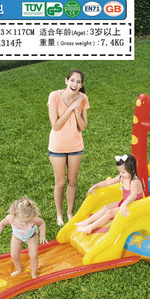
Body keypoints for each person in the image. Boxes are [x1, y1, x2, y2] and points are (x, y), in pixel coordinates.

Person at [47, 69, 90, 226]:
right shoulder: (54, 96)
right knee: (60, 183)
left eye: (78, 82)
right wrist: (71, 107)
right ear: (66, 81)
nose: (75, 84)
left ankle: (69, 213)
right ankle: (59, 214)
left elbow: (83, 126)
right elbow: (56, 125)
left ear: (81, 84)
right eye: (72, 80)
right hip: (57, 147)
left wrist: (77, 111)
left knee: (72, 182)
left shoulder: (83, 98)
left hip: (75, 146)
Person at [75, 154, 144, 235]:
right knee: (106, 207)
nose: (121, 174)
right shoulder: (123, 177)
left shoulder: (134, 181)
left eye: (123, 172)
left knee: (110, 212)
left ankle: (90, 227)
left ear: (132, 170)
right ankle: (86, 222)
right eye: (120, 171)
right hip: (126, 203)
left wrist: (124, 204)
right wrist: (95, 186)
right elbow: (108, 182)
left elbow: (133, 195)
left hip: (134, 206)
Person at [0, 197, 48, 278]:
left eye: (28, 221)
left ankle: (34, 273)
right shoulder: (11, 218)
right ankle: (19, 269)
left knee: (34, 255)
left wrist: (42, 236)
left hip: (31, 236)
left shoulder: (34, 220)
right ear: (15, 214)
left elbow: (42, 224)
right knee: (14, 255)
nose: (25, 224)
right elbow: (2, 224)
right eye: (22, 221)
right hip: (17, 237)